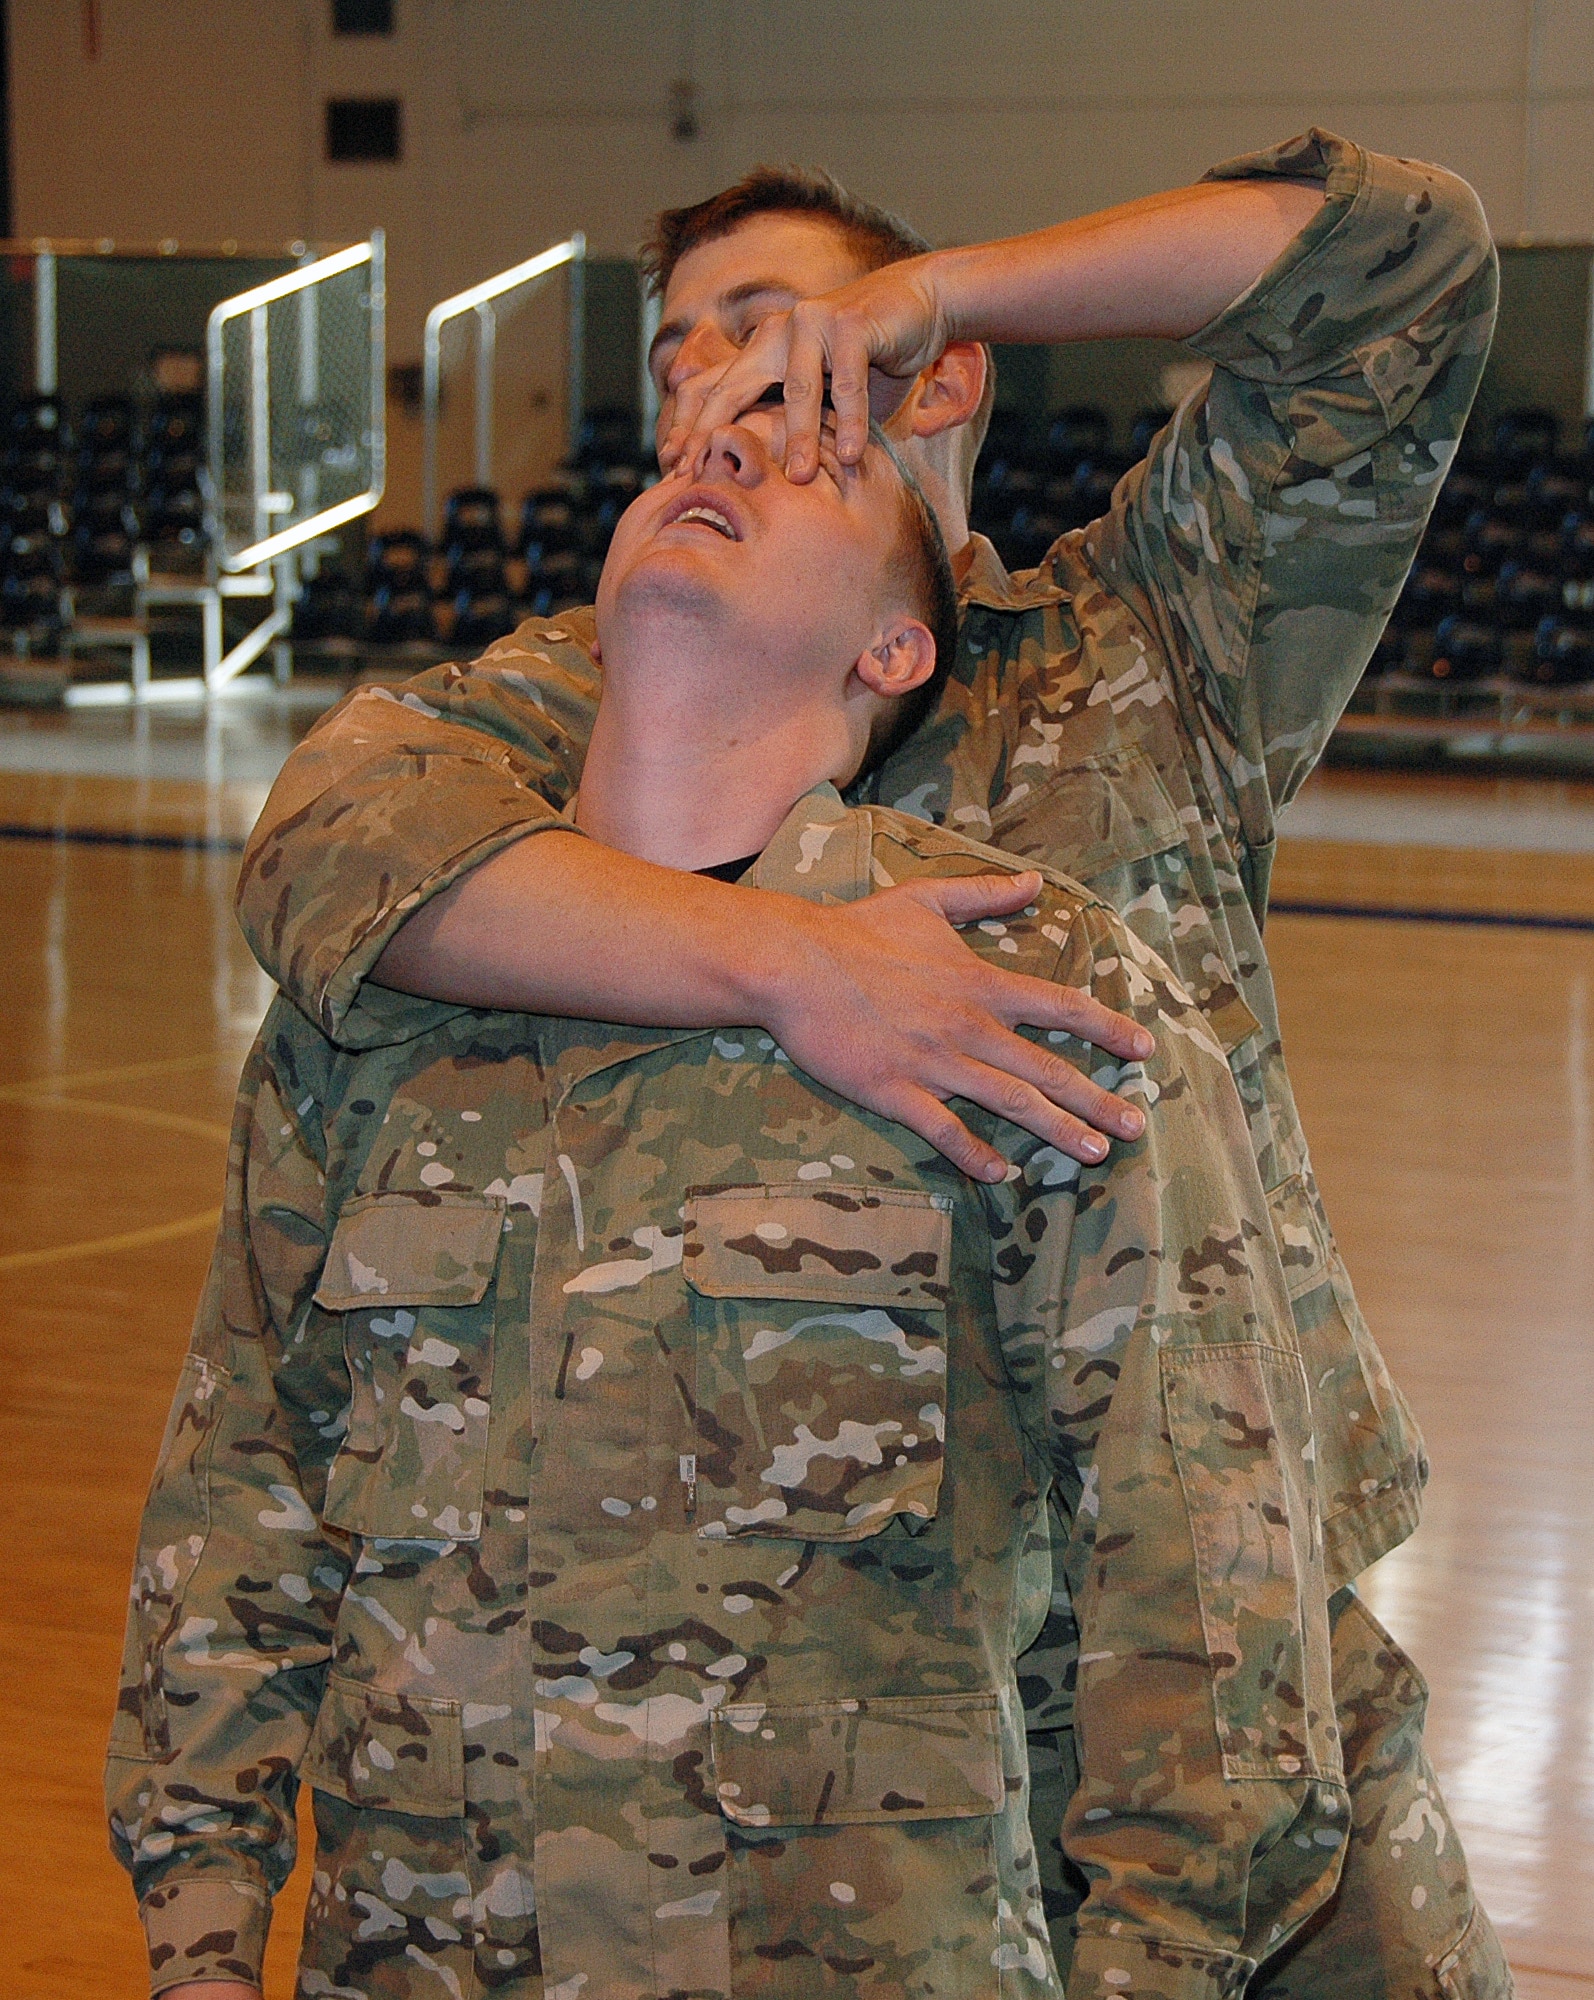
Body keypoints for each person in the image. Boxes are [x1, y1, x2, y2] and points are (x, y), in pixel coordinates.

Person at [232, 132, 1506, 1995]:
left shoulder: (1130, 649)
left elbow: (1406, 267)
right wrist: (794, 964)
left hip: (1206, 1649)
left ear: (935, 373)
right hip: (839, 1737)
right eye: (674, 352)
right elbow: (325, 849)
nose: (712, 380)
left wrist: (941, 284)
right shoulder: (571, 701)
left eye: (773, 326)